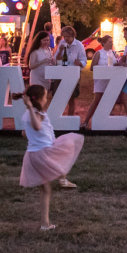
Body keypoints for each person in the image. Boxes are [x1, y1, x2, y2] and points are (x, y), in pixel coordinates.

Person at [16, 85, 84, 231]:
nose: (47, 99)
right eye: (46, 96)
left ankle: (45, 224)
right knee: (69, 144)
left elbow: (25, 132)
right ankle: (62, 179)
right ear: (39, 99)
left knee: (46, 190)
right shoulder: (34, 113)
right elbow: (37, 127)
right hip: (42, 153)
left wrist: (31, 133)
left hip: (33, 156)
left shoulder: (31, 114)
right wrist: (29, 109)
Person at [81, 35, 116, 130]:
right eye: (109, 42)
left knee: (111, 101)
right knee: (97, 100)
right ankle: (86, 121)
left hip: (111, 81)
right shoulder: (99, 53)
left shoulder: (114, 53)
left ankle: (108, 123)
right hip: (101, 81)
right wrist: (103, 70)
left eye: (112, 41)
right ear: (104, 43)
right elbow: (92, 67)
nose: (111, 43)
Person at [52, 26, 87, 116]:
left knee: (71, 97)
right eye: (64, 36)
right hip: (62, 72)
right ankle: (57, 116)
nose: (66, 39)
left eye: (68, 36)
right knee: (59, 96)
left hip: (73, 73)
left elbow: (84, 60)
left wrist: (79, 63)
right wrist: (59, 51)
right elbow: (56, 58)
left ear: (73, 36)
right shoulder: (62, 43)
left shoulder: (79, 45)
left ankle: (70, 118)